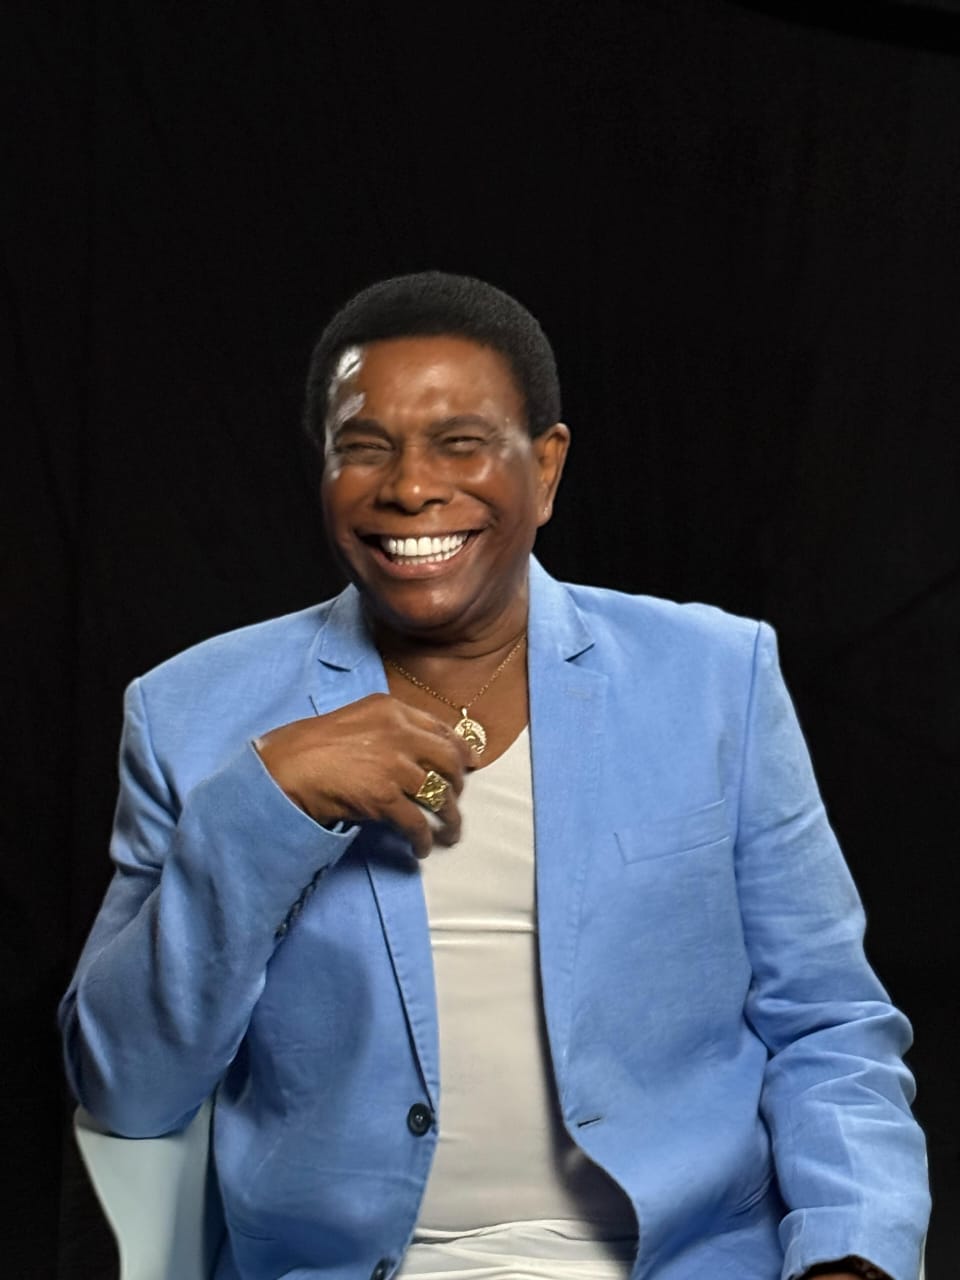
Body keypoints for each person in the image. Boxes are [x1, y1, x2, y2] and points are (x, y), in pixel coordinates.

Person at [60, 272, 930, 1280]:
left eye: (460, 443)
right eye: (364, 447)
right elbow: (127, 1089)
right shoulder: (189, 712)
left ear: (545, 468)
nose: (411, 488)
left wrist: (850, 1251)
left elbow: (829, 1024)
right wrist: (266, 803)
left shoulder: (713, 679)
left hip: (683, 1260)